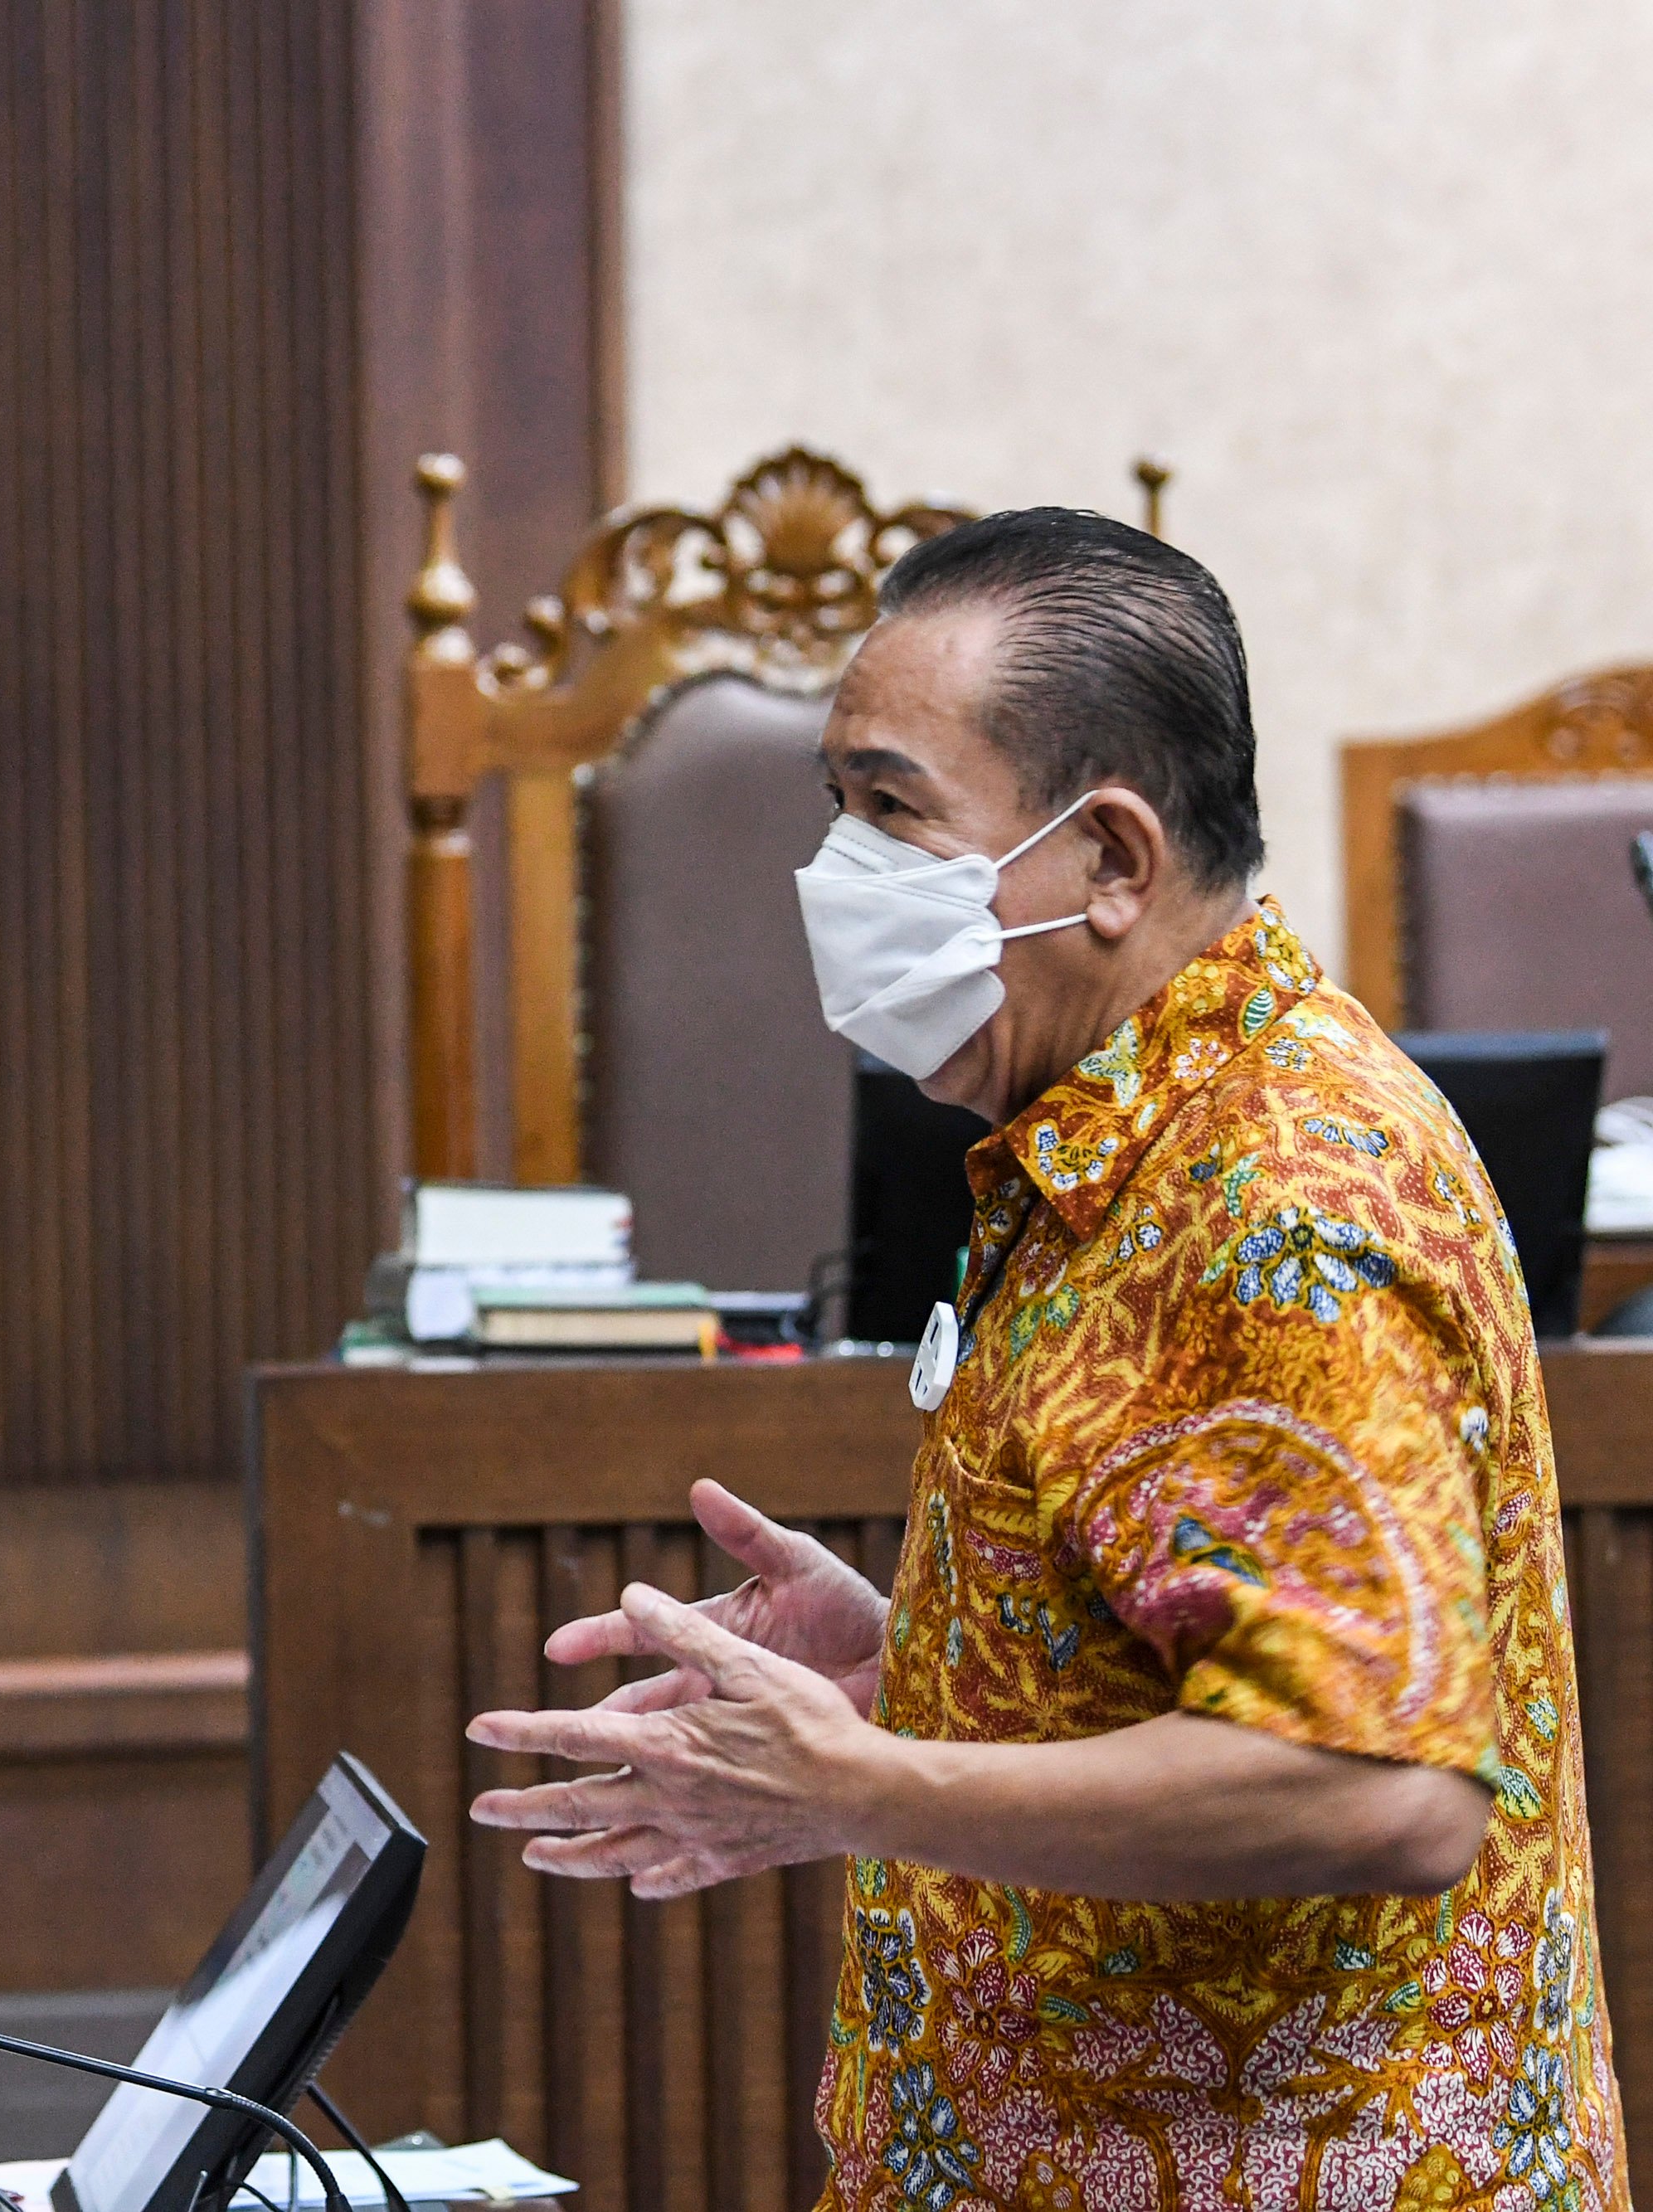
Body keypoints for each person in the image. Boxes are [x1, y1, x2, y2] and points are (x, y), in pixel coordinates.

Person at [465, 510, 1627, 2203]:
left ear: (1106, 860)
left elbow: (1374, 1785)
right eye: (832, 806)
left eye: (889, 809)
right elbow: (1211, 1634)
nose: (834, 869)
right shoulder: (1111, 1126)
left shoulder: (1274, 1195)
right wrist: (944, 1661)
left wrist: (863, 1778)